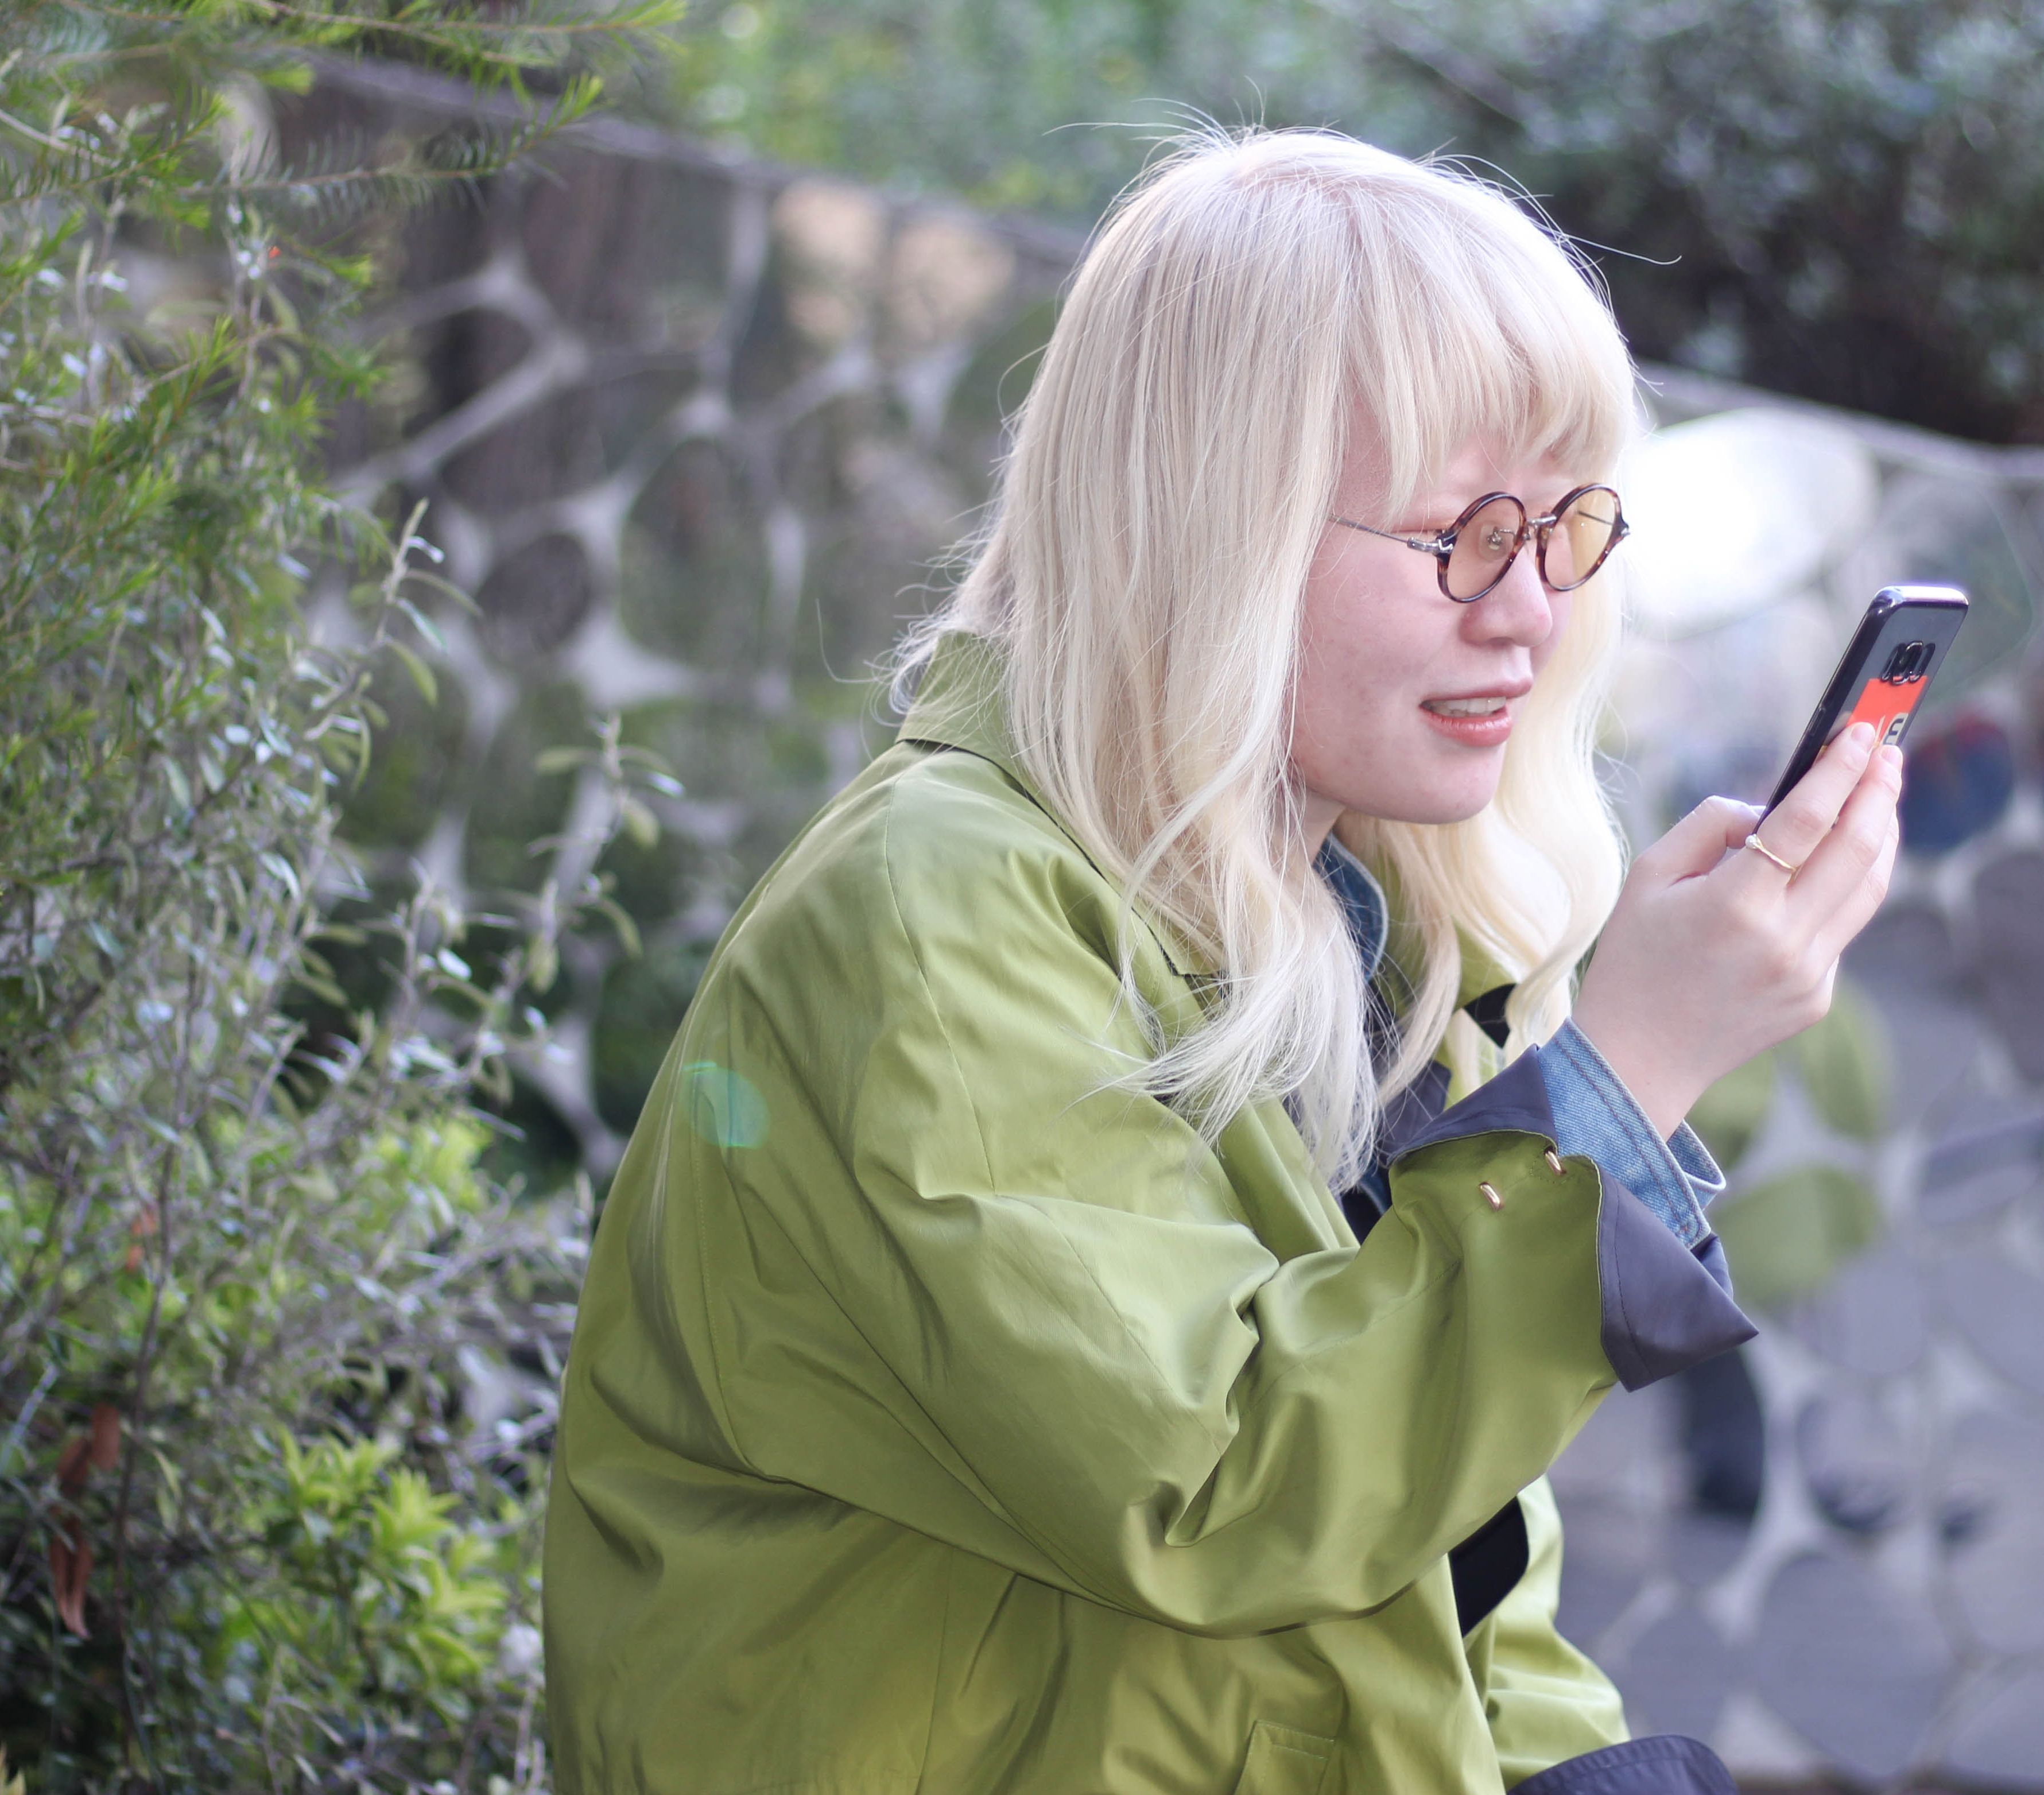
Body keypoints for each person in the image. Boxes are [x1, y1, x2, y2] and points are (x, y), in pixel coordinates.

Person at [544, 128, 1902, 1795]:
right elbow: (1220, 1491)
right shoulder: (928, 910)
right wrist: (1620, 1087)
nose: (1531, 611)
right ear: (1205, 525)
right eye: (1467, 531)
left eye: (1568, 528)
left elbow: (1460, 1571)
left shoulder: (1357, 908)